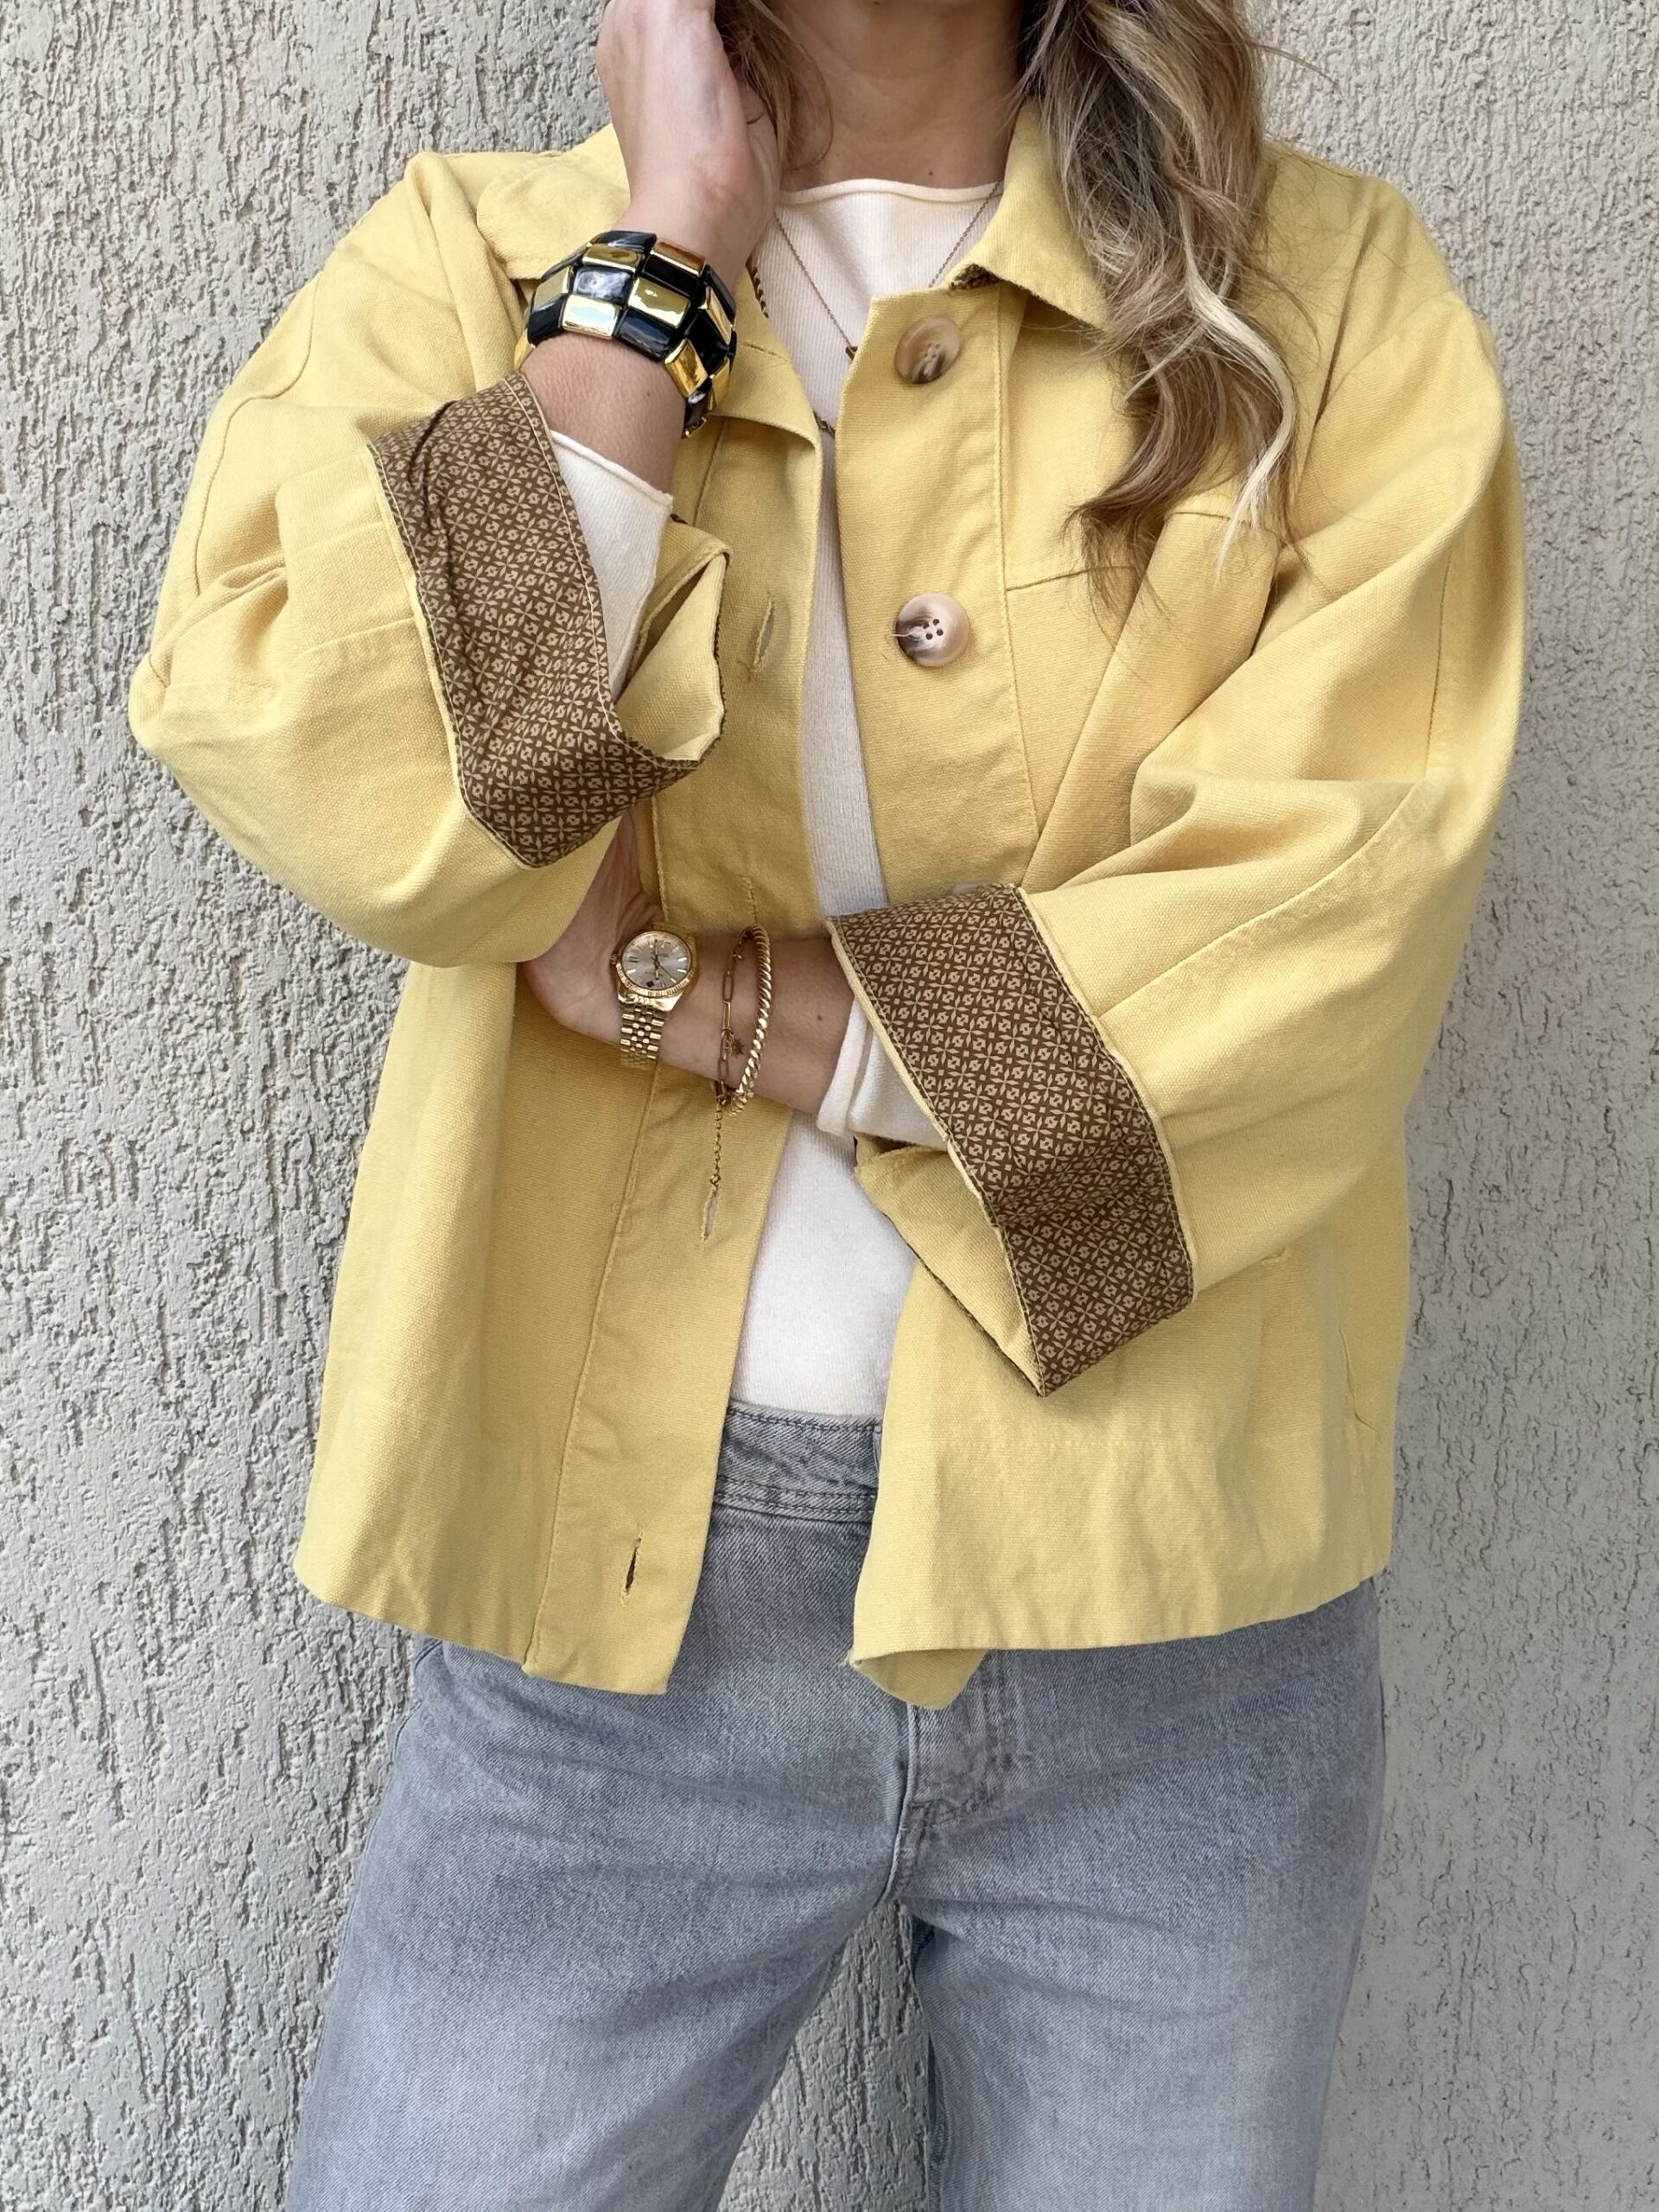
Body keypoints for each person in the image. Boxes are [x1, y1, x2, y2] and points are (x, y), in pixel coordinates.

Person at [127, 0, 1524, 2203]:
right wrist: (664, 255)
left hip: (1176, 1598)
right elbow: (375, 792)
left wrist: (713, 998)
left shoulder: (1320, 305)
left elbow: (1334, 915)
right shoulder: (481, 269)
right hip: (622, 1599)